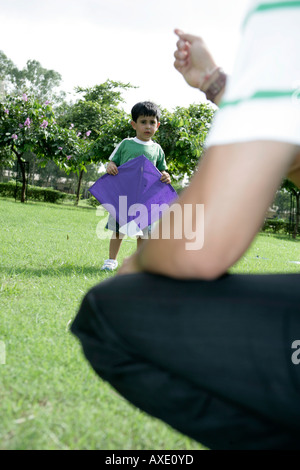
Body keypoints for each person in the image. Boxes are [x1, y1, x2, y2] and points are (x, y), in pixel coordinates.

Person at [71, 0, 300, 450]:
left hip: (162, 222)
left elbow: (202, 246)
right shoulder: (124, 143)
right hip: (130, 201)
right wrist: (217, 85)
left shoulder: (285, 18)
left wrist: (145, 257)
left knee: (109, 312)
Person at [101, 101, 171, 271]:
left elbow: (162, 170)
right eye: (143, 122)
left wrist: (166, 176)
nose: (148, 126)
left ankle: (141, 264)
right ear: (134, 124)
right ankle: (111, 260)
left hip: (145, 198)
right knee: (118, 230)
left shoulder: (157, 149)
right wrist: (110, 166)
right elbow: (112, 162)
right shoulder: (126, 144)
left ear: (158, 125)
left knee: (144, 233)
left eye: (152, 122)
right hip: (123, 196)